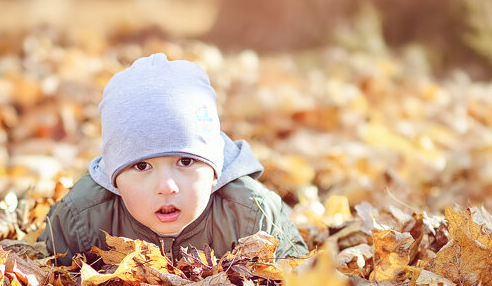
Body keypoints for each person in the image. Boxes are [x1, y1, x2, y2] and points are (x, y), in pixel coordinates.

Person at [40, 53, 307, 265]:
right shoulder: (82, 216)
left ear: (214, 169)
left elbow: (299, 276)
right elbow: (40, 270)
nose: (167, 186)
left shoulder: (252, 214)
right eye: (142, 166)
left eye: (186, 161)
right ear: (114, 175)